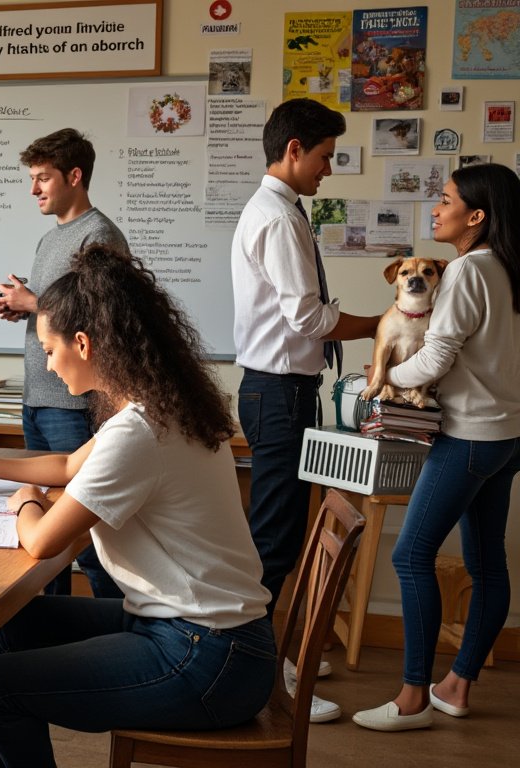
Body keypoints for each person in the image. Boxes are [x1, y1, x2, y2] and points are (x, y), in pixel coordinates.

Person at [0, 245, 273, 768]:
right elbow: (65, 467)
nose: (48, 364)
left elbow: (41, 540)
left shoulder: (138, 433)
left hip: (207, 657)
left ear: (82, 344)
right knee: (12, 624)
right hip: (215, 638)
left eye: (48, 349)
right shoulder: (163, 406)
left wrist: (25, 504)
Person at [353, 163, 520, 732]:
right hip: (507, 435)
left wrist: (378, 385)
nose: (436, 208)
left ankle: (412, 699)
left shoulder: (470, 270)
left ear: (475, 216)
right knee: (486, 562)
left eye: (445, 199)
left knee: (409, 554)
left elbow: (435, 357)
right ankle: (458, 684)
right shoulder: (509, 267)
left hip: (470, 435)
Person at [232, 98, 379, 722]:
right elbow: (308, 317)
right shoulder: (279, 218)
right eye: (324, 156)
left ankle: (272, 652)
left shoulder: (278, 210)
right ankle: (261, 674)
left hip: (279, 391)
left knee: (282, 531)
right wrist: (385, 322)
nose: (328, 169)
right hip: (277, 392)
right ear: (294, 149)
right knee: (275, 538)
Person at [0, 127, 129, 599]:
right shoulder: (52, 240)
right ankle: (50, 630)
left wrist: (34, 303)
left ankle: (114, 623)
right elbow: (58, 312)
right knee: (47, 536)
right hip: (38, 399)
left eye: (43, 177)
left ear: (75, 175)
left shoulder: (100, 234)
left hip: (74, 404)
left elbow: (105, 317)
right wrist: (20, 307)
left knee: (86, 539)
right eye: (32, 177)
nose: (34, 189)